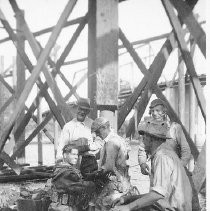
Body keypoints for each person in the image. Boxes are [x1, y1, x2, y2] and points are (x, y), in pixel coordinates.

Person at [111, 119, 192, 211]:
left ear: (152, 139)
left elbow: (157, 195)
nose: (142, 141)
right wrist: (129, 199)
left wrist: (128, 207)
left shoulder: (162, 157)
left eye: (144, 137)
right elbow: (158, 193)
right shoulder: (163, 152)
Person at [91, 117, 135, 211]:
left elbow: (109, 167)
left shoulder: (111, 142)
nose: (98, 135)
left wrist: (94, 175)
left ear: (104, 128)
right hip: (123, 182)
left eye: (98, 132)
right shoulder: (119, 139)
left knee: (100, 205)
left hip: (114, 184)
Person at [138, 98, 191, 175]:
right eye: (152, 111)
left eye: (158, 110)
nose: (155, 113)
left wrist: (181, 165)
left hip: (173, 170)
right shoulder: (147, 128)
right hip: (156, 170)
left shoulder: (175, 127)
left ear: (164, 111)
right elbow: (143, 149)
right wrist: (142, 163)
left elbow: (185, 149)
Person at [56, 98, 103, 177]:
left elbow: (100, 142)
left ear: (88, 112)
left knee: (89, 184)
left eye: (85, 110)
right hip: (73, 161)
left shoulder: (93, 124)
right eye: (80, 109)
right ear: (76, 109)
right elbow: (62, 145)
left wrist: (88, 147)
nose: (82, 112)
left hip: (89, 161)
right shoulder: (68, 126)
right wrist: (59, 161)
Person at [49, 143, 96, 211]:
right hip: (61, 208)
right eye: (73, 154)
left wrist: (95, 176)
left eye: (77, 154)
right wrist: (93, 184)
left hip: (69, 207)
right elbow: (77, 186)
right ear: (65, 155)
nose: (76, 157)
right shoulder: (63, 172)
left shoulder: (69, 170)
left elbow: (78, 180)